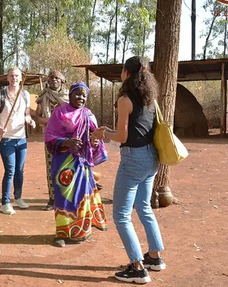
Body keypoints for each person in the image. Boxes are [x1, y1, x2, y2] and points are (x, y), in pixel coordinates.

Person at [93, 56, 166, 284]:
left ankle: (137, 267)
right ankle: (154, 257)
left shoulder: (125, 99)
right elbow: (136, 129)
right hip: (152, 158)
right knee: (144, 207)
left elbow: (123, 137)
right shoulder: (150, 98)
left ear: (126, 73)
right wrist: (109, 130)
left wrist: (102, 134)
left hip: (134, 160)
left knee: (121, 215)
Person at [44, 82, 108, 247]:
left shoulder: (88, 115)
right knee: (64, 196)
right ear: (70, 95)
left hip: (82, 163)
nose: (80, 98)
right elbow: (49, 136)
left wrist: (94, 143)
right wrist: (67, 142)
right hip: (63, 163)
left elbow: (95, 139)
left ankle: (81, 231)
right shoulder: (59, 113)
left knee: (81, 196)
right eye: (77, 94)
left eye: (84, 95)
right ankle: (62, 233)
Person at [0, 67, 36, 215]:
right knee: (10, 170)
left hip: (21, 139)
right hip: (6, 140)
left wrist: (30, 121)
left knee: (20, 170)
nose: (14, 78)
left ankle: (18, 197)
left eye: (17, 76)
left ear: (21, 78)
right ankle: (5, 203)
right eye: (11, 76)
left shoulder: (25, 94)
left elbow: (27, 115)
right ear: (7, 78)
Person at [33, 70, 68, 211]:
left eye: (57, 78)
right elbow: (37, 117)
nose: (54, 80)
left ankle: (65, 198)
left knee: (66, 167)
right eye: (51, 78)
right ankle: (52, 199)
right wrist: (54, 121)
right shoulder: (43, 97)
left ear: (62, 81)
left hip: (67, 138)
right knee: (51, 168)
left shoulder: (69, 97)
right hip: (50, 138)